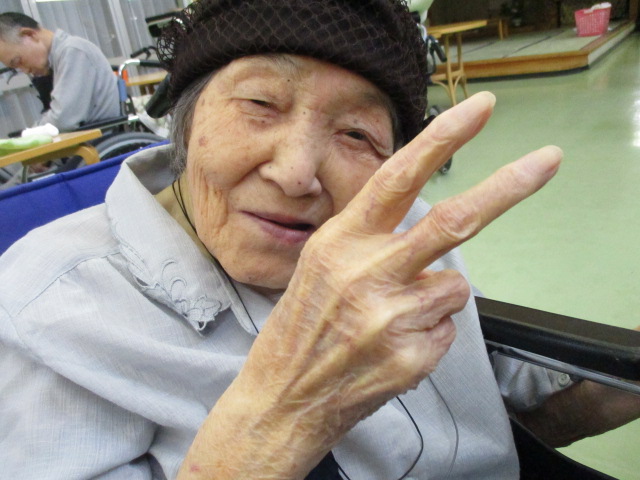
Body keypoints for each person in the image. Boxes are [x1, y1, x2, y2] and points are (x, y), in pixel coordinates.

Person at [0, 1, 638, 479]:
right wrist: (286, 411)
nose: (297, 172)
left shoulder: (405, 228)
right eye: (260, 103)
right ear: (185, 125)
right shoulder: (50, 307)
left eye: (357, 134)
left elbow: (511, 413)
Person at [0, 12, 120, 132]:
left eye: (18, 61)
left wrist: (30, 133)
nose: (25, 70)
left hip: (98, 138)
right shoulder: (54, 61)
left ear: (29, 35)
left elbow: (62, 120)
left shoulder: (73, 51)